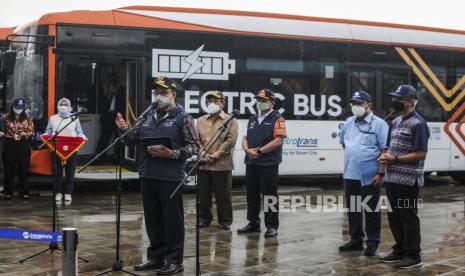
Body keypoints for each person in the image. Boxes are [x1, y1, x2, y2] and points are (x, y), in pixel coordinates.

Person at [116, 76, 200, 275]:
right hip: (148, 174)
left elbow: (194, 146)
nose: (159, 96)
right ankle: (155, 257)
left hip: (171, 177)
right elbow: (132, 139)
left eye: (163, 92)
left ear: (173, 94)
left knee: (172, 222)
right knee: (153, 220)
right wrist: (123, 128)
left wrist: (172, 154)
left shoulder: (183, 116)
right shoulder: (147, 114)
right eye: (156, 93)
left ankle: (174, 261)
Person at [379, 85, 429, 269]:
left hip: (409, 180)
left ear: (410, 101)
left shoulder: (419, 124)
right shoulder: (396, 121)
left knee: (408, 217)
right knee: (394, 216)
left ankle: (413, 255)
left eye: (399, 98)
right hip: (392, 179)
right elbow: (391, 147)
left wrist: (396, 158)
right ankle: (399, 250)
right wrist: (385, 160)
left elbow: (421, 154)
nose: (395, 101)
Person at [338, 91, 389, 256]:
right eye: (353, 103)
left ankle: (373, 241)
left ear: (369, 105)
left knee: (371, 209)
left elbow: (384, 150)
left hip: (369, 175)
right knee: (353, 209)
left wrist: (381, 173)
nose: (356, 107)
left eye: (360, 103)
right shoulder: (348, 122)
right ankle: (356, 240)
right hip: (350, 174)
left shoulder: (380, 124)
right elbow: (344, 144)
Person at [238, 89, 287, 238]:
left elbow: (279, 141)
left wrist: (259, 151)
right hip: (251, 163)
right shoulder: (253, 118)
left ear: (272, 102)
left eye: (263, 100)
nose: (260, 103)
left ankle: (272, 225)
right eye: (258, 100)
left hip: (268, 164)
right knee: (251, 195)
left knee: (269, 196)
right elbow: (244, 137)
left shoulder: (278, 119)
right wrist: (247, 150)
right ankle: (253, 223)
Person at [197, 91, 238, 230]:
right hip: (203, 164)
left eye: (216, 101)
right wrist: (203, 153)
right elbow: (196, 140)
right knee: (203, 195)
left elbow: (231, 140)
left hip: (222, 164)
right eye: (210, 101)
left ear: (223, 103)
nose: (212, 104)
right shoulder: (201, 120)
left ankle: (225, 220)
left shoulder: (230, 119)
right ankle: (204, 219)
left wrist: (216, 155)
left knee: (223, 195)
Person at [45, 98, 87, 205]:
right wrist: (45, 138)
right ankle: (58, 192)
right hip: (56, 149)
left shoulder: (74, 118)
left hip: (72, 150)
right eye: (61, 104)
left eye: (65, 104)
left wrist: (83, 138)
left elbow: (79, 132)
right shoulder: (53, 118)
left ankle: (68, 193)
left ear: (69, 106)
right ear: (58, 106)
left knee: (70, 172)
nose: (63, 106)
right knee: (57, 172)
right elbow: (48, 132)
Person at [2, 98, 35, 199]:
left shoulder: (28, 118)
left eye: (20, 107)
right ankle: (8, 192)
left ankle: (24, 192)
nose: (18, 109)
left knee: (23, 169)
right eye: (17, 107)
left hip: (23, 144)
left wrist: (24, 134)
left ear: (23, 108)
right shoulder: (5, 117)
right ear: (13, 107)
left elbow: (32, 133)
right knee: (8, 169)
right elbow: (2, 129)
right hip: (9, 143)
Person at [97, 73, 126, 155]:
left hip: (117, 117)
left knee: (118, 138)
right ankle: (99, 156)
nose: (111, 82)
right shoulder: (108, 91)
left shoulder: (122, 89)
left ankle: (117, 157)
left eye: (112, 79)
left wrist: (116, 93)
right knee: (104, 137)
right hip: (107, 117)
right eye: (109, 80)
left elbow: (124, 103)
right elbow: (103, 104)